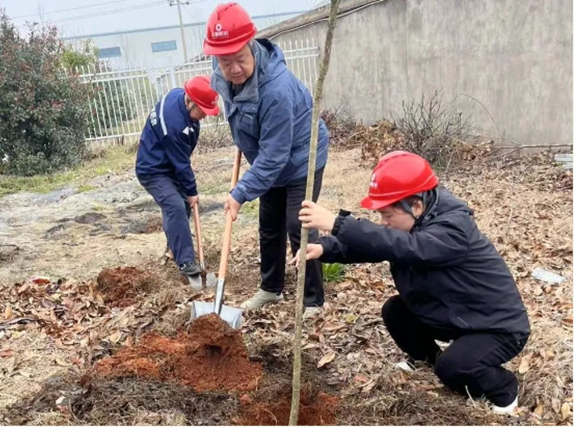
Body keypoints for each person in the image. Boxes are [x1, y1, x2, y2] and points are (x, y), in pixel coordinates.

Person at [294, 151, 530, 414]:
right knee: (396, 311)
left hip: (496, 327)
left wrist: (339, 224)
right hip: (460, 315)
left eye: (387, 215)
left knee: (453, 368)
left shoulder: (453, 230)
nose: (383, 222)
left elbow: (408, 248)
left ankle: (503, 389)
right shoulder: (412, 223)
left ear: (416, 206)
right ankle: (427, 359)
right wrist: (325, 248)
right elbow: (382, 244)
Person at [203, 2, 330, 317]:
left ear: (252, 45)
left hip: (302, 156)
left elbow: (276, 156)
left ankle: (313, 300)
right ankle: (271, 289)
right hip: (267, 157)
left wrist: (240, 193)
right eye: (224, 61)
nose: (233, 69)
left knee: (297, 224)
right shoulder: (222, 77)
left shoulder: (276, 89)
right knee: (268, 226)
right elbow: (237, 109)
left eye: (240, 59)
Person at [135, 75, 220, 279]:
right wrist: (191, 192)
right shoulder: (173, 125)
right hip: (152, 170)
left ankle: (173, 249)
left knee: (180, 207)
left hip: (169, 165)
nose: (205, 116)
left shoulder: (178, 97)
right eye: (203, 111)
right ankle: (186, 262)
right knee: (175, 205)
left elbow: (180, 160)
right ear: (190, 102)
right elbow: (182, 162)